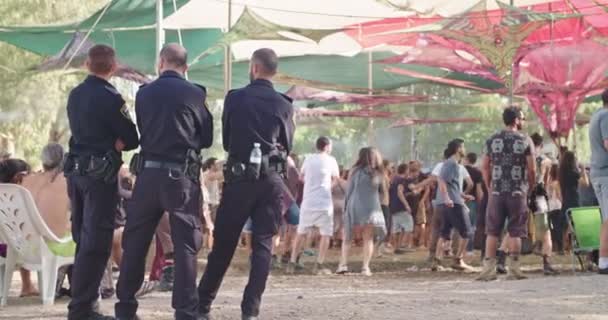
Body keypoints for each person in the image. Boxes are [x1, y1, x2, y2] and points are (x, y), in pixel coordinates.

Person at [115, 43, 213, 320]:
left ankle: (125, 309)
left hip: (147, 175)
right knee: (185, 245)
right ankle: (184, 311)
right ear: (186, 67)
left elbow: (143, 129)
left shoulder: (144, 94)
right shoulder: (196, 93)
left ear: (160, 63)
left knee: (135, 243)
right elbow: (206, 138)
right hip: (180, 177)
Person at [197, 48, 295, 320]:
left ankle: (202, 305)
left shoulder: (235, 99)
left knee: (224, 245)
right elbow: (287, 144)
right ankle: (250, 311)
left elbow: (227, 141)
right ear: (274, 72)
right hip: (271, 181)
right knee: (263, 245)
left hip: (240, 179)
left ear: (253, 68)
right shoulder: (284, 104)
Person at [65, 44, 139, 320]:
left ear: (86, 64)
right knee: (96, 241)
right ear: (113, 67)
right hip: (100, 176)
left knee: (82, 239)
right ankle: (83, 308)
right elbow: (131, 139)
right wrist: (114, 142)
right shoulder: (112, 98)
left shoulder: (75, 95)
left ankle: (83, 303)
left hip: (76, 174)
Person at [477, 106, 535, 281]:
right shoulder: (525, 139)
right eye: (523, 118)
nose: (524, 121)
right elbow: (532, 169)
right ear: (516, 120)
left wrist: (489, 186)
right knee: (516, 230)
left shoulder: (492, 139)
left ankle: (488, 271)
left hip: (496, 192)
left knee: (493, 232)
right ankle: (514, 270)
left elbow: (485, 166)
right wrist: (530, 187)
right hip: (517, 192)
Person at [287, 136, 339, 275]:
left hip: (308, 201)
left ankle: (292, 262)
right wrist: (327, 187)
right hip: (324, 203)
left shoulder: (309, 159)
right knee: (326, 234)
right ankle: (319, 264)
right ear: (327, 146)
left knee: (301, 232)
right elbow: (336, 179)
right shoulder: (331, 160)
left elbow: (301, 177)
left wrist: (310, 184)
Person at [337, 147, 387, 276]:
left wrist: (346, 207)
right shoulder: (379, 173)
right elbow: (382, 193)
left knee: (348, 238)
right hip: (372, 207)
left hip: (355, 205)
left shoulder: (355, 171)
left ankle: (343, 265)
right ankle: (365, 267)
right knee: (368, 238)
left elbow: (349, 189)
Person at [434, 139, 474, 270]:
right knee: (467, 232)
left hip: (451, 201)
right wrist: (447, 198)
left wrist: (463, 195)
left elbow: (452, 186)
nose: (465, 149)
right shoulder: (452, 164)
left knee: (445, 233)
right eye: (463, 147)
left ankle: (437, 261)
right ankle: (458, 259)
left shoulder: (452, 164)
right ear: (458, 149)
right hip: (453, 203)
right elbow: (441, 180)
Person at [0, 159, 34, 297]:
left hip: (1, 247)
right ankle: (27, 285)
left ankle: (26, 285)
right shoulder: (18, 196)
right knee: (27, 237)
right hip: (14, 249)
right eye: (28, 175)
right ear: (18, 177)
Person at [529, 133, 559, 275]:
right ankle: (546, 263)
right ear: (540, 145)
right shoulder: (545, 160)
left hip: (524, 196)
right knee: (546, 231)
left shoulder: (524, 159)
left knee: (513, 229)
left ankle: (502, 260)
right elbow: (545, 182)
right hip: (539, 197)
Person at [559, 151, 589, 252]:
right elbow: (586, 183)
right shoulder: (573, 173)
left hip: (565, 199)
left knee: (566, 224)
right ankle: (572, 245)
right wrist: (583, 169)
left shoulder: (562, 173)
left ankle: (565, 247)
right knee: (574, 224)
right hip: (574, 199)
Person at [388, 163, 413, 253]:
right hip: (401, 206)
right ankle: (403, 245)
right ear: (405, 170)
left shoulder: (393, 180)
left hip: (393, 206)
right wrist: (407, 205)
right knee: (409, 226)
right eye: (408, 170)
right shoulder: (402, 180)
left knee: (396, 228)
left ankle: (396, 248)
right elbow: (400, 193)